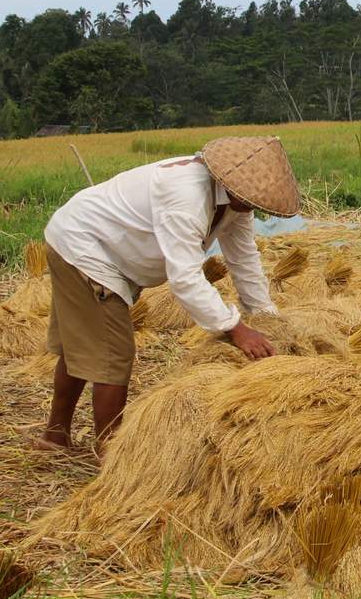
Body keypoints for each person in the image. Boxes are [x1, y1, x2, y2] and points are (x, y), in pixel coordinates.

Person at [32, 136, 300, 454]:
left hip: (93, 243)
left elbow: (243, 260)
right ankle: (111, 455)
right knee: (113, 354)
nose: (253, 206)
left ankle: (55, 436)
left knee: (83, 344)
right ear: (231, 181)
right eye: (251, 198)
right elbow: (185, 277)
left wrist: (267, 320)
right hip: (86, 248)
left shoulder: (237, 205)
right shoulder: (186, 196)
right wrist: (236, 328)